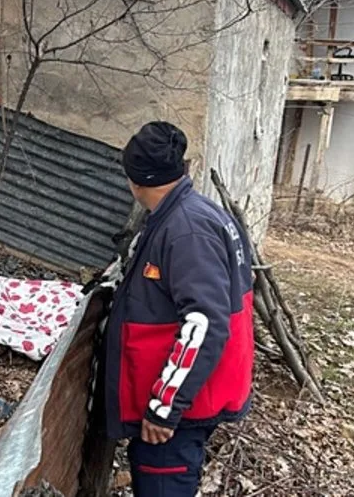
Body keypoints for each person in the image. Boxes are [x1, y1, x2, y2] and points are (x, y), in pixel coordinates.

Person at [101, 121, 255, 496]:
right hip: (187, 399)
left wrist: (165, 406)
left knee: (164, 485)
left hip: (179, 412)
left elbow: (206, 324)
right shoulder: (189, 212)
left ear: (135, 179)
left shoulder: (187, 230)